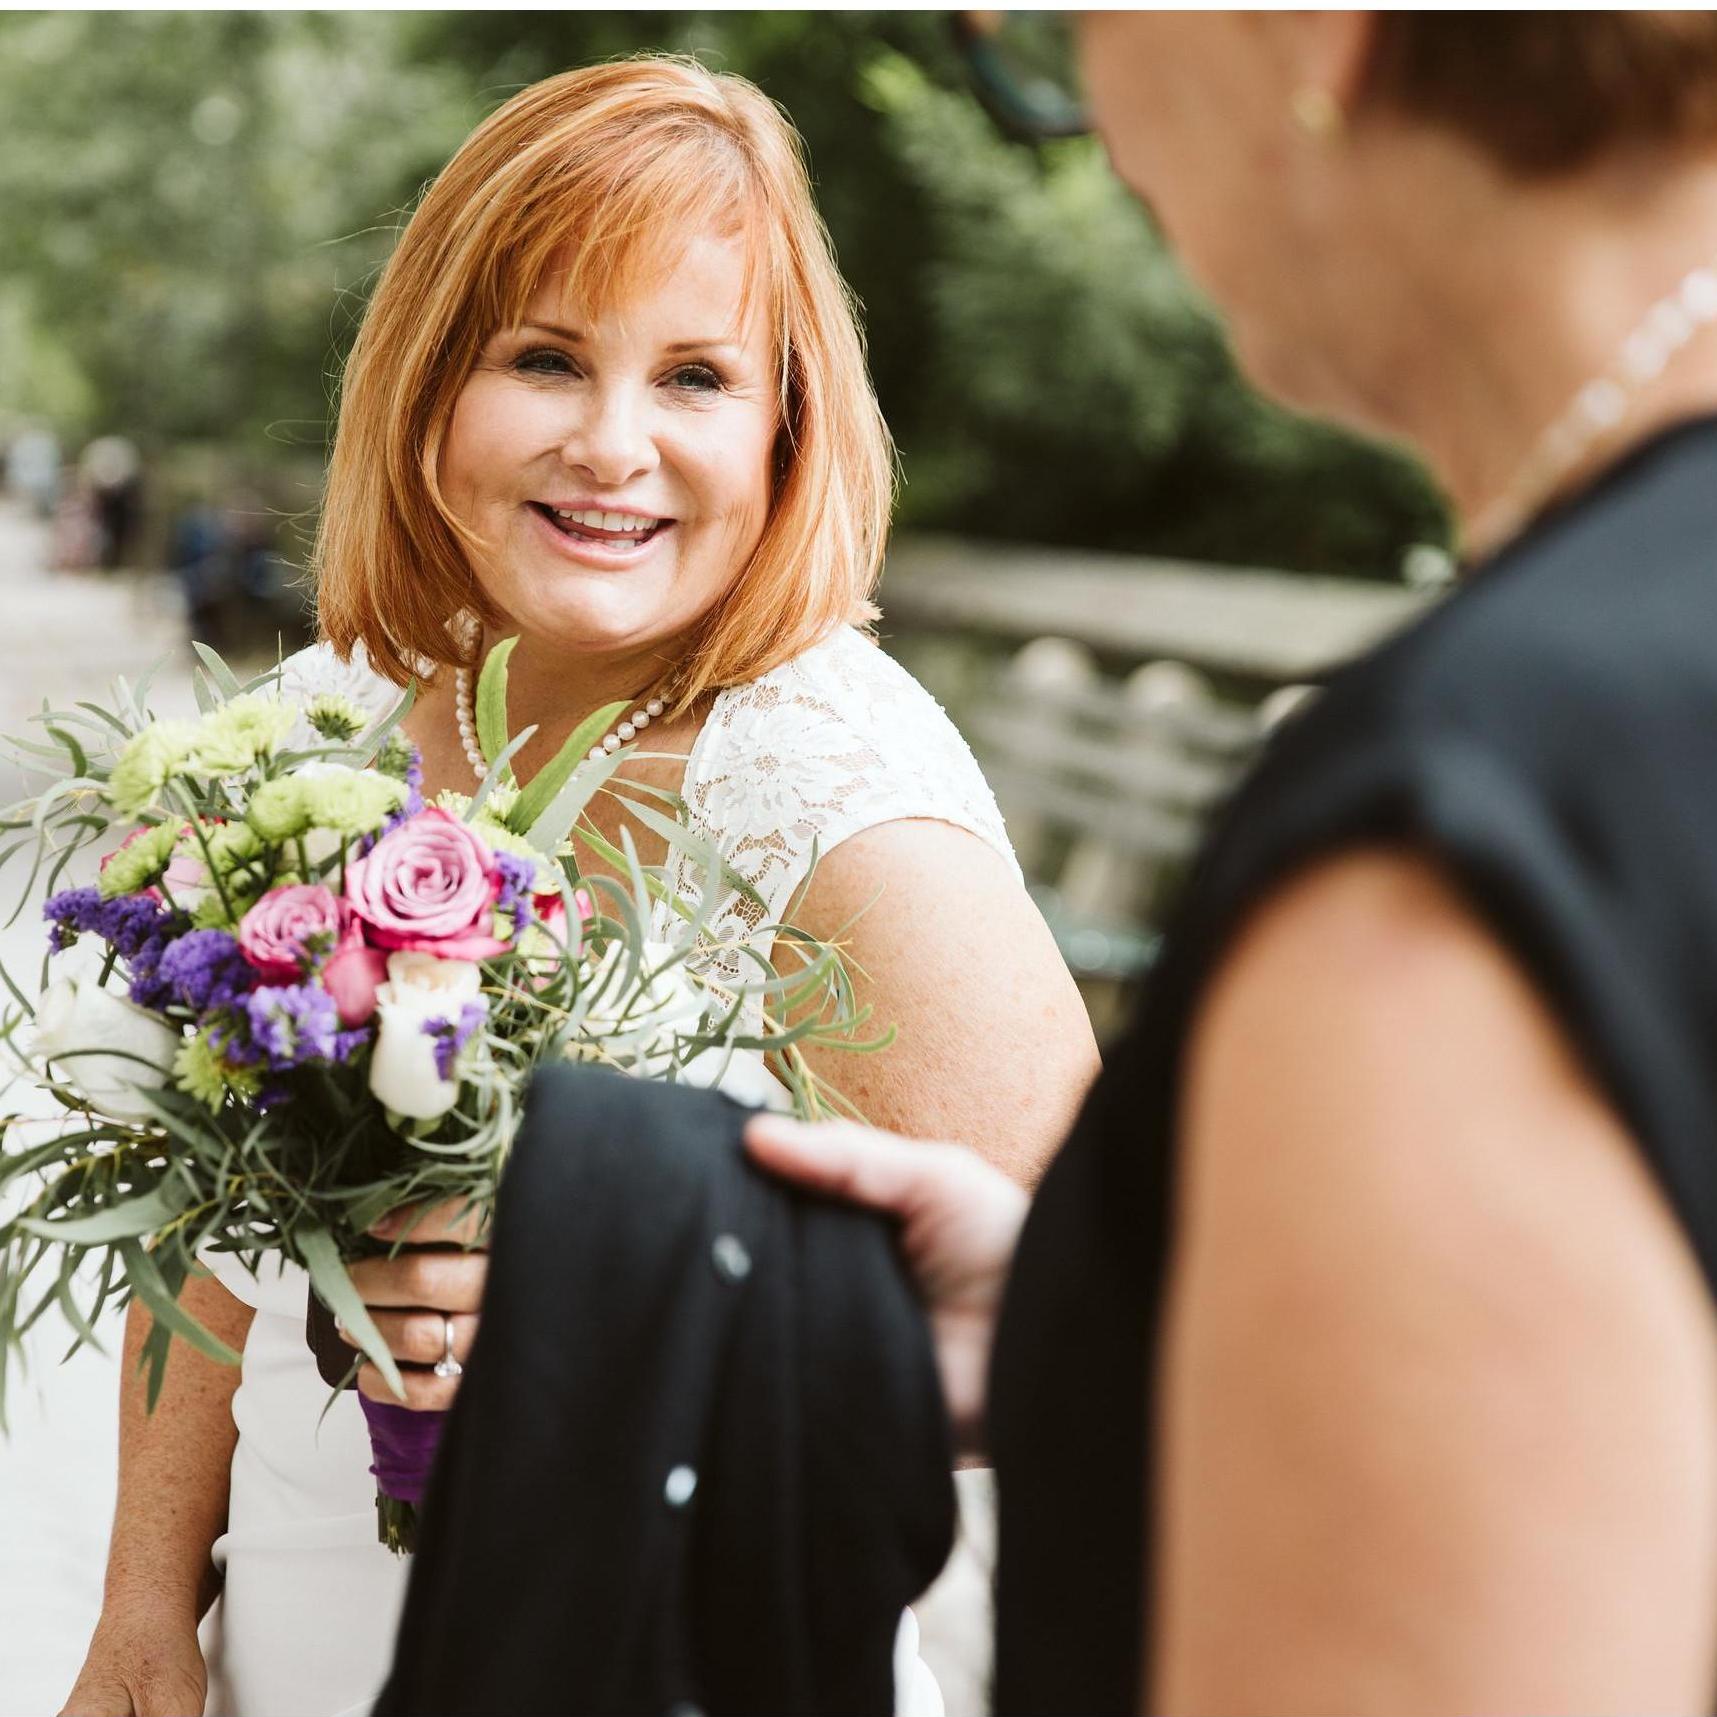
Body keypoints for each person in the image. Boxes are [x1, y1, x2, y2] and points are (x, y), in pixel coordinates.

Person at [62, 58, 1097, 1717]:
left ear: (783, 423)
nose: (613, 446)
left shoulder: (824, 787)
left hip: (655, 1649)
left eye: (693, 374)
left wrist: (587, 1280)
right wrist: (138, 1610)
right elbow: (204, 1238)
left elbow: (1087, 1330)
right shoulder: (330, 722)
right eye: (545, 358)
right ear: (428, 390)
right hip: (302, 1633)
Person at [742, 13, 1717, 1714]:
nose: (1079, 119)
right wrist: (1100, 1327)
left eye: (1061, 28)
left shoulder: (1441, 859)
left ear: (1312, 31)